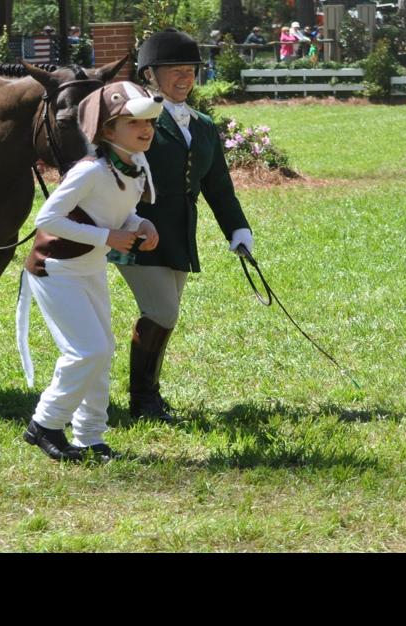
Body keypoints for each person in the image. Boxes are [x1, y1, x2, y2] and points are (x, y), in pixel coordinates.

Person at [18, 80, 163, 462]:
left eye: (149, 121)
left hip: (90, 267)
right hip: (56, 269)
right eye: (134, 122)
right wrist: (107, 236)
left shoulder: (136, 164)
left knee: (103, 351)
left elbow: (117, 211)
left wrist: (138, 224)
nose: (146, 129)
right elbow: (47, 217)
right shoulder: (91, 170)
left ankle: (89, 436)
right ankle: (45, 424)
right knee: (87, 351)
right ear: (106, 130)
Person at [117, 29, 253, 423]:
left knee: (166, 314)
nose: (184, 78)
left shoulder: (203, 124)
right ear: (149, 75)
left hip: (179, 234)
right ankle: (142, 401)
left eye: (189, 70)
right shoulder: (135, 120)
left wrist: (237, 229)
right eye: (173, 70)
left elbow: (219, 187)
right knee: (162, 311)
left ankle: (151, 396)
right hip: (138, 231)